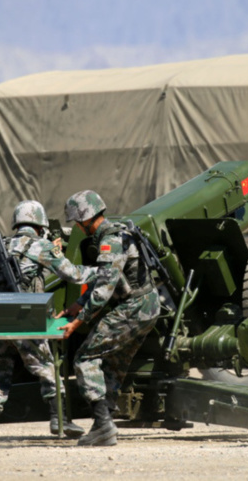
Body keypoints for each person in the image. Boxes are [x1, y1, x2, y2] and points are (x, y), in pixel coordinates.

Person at [0, 200, 97, 444]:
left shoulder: (4, 245)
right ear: (40, 225)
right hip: (24, 317)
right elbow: (72, 275)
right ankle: (58, 418)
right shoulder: (40, 245)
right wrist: (102, 271)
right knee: (45, 366)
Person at [56, 190, 161, 447]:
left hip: (134, 308)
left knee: (85, 357)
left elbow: (103, 290)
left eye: (78, 222)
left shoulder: (110, 242)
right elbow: (107, 279)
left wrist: (78, 321)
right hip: (145, 306)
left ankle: (103, 424)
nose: (78, 228)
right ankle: (104, 425)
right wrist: (77, 305)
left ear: (86, 218)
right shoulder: (116, 234)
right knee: (114, 362)